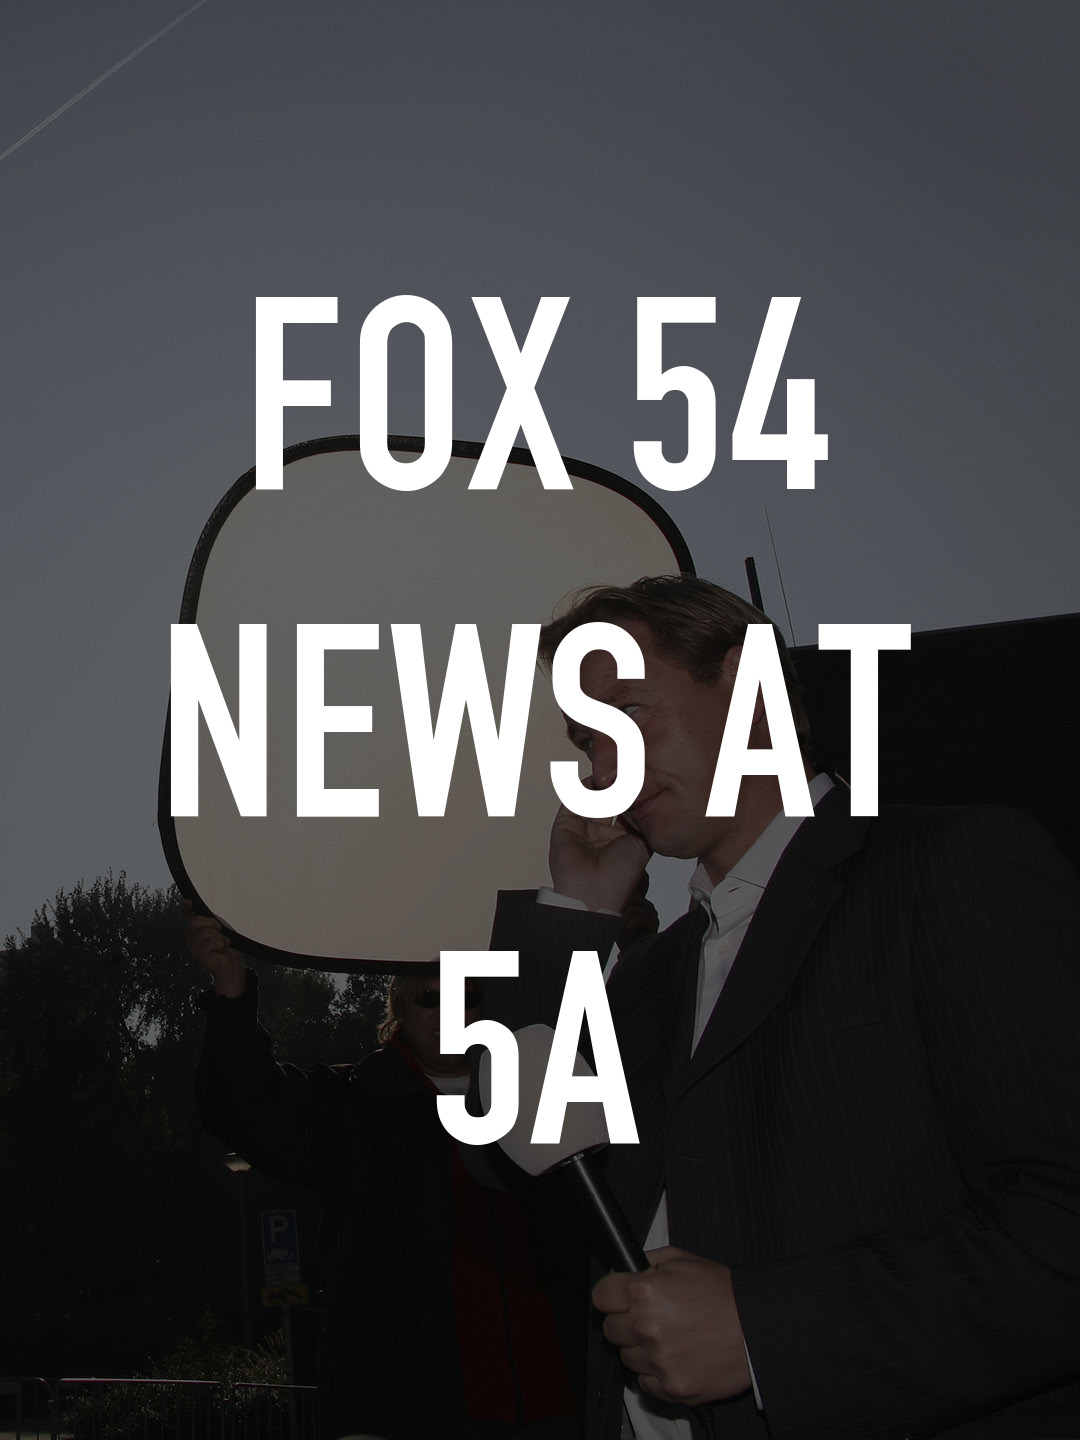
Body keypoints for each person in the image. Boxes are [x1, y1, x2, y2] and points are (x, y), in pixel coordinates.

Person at [483, 574, 1080, 1440]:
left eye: (626, 713)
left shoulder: (948, 865)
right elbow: (507, 1164)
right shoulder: (649, 977)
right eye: (585, 742)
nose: (601, 769)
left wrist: (764, 1332)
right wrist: (572, 919)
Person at [189, 911, 588, 1440]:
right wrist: (231, 990)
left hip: (559, 1409)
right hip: (404, 1414)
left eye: (467, 996)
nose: (450, 1012)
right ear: (399, 1006)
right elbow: (243, 1108)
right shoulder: (355, 1107)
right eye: (430, 997)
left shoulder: (547, 1100)